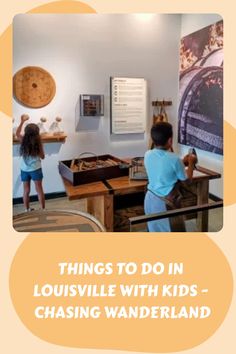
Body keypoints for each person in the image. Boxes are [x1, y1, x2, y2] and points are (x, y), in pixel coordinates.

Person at [144, 122, 197, 232]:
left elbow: (163, 166)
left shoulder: (147, 154)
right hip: (165, 203)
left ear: (153, 139)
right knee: (170, 231)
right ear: (170, 141)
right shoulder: (174, 159)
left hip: (150, 199)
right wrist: (191, 162)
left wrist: (182, 162)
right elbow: (187, 181)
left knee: (154, 230)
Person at [16, 114, 45, 212]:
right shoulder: (38, 143)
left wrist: (22, 121)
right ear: (37, 133)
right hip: (36, 169)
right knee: (39, 189)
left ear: (26, 132)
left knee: (26, 190)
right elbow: (42, 157)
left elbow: (17, 133)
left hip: (24, 169)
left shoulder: (23, 140)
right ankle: (42, 209)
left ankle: (27, 209)